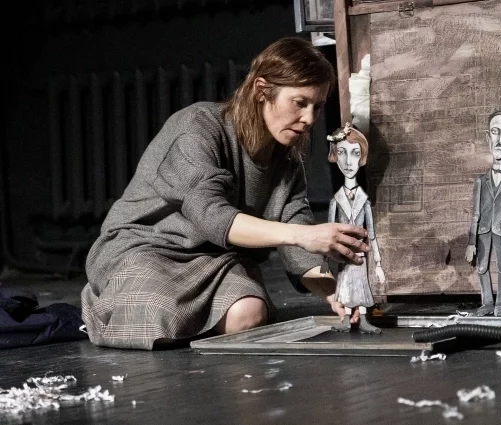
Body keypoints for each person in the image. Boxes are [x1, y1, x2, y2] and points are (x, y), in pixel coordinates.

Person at [81, 37, 370, 350]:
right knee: (157, 316)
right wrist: (302, 236)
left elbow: (297, 238)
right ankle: (108, 304)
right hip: (148, 247)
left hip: (216, 260)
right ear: (262, 91)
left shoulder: (286, 159)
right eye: (299, 103)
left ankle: (175, 321)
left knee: (249, 314)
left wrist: (336, 293)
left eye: (317, 106)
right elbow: (212, 217)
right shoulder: (198, 127)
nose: (309, 119)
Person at [325, 123, 385, 333]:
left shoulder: (363, 200)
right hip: (343, 254)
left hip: (360, 253)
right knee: (345, 285)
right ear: (335, 156)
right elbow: (329, 231)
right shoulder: (336, 200)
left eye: (355, 153)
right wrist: (325, 261)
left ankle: (364, 318)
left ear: (362, 158)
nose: (349, 161)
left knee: (360, 284)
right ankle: (346, 318)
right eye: (342, 153)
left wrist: (378, 263)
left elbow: (372, 234)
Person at [465, 110, 501, 317]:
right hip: (482, 231)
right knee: (481, 267)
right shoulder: (480, 182)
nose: (499, 141)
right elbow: (475, 213)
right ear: (488, 136)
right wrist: (471, 242)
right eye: (495, 132)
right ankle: (486, 303)